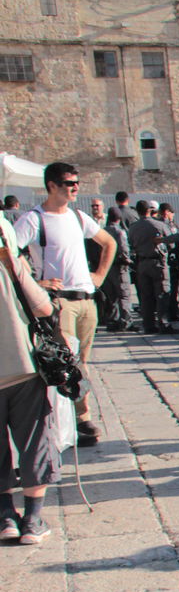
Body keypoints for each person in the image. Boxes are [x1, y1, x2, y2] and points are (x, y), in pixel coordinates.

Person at [13, 162, 116, 449]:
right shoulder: (34, 220)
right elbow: (9, 253)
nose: (75, 188)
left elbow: (109, 243)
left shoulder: (78, 217)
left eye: (76, 182)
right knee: (66, 362)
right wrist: (35, 283)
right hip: (60, 304)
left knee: (80, 362)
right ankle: (77, 420)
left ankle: (78, 420)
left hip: (86, 301)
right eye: (69, 183)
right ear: (52, 186)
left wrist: (98, 276)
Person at [0, 226, 63, 544]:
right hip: (21, 365)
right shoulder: (6, 246)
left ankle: (4, 517)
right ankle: (32, 519)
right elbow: (41, 307)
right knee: (35, 442)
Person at [128, 200, 177, 336]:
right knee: (162, 293)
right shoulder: (159, 225)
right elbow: (171, 243)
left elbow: (130, 243)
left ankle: (148, 324)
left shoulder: (133, 228)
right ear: (149, 210)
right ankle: (163, 323)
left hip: (142, 263)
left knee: (146, 296)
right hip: (158, 263)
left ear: (137, 211)